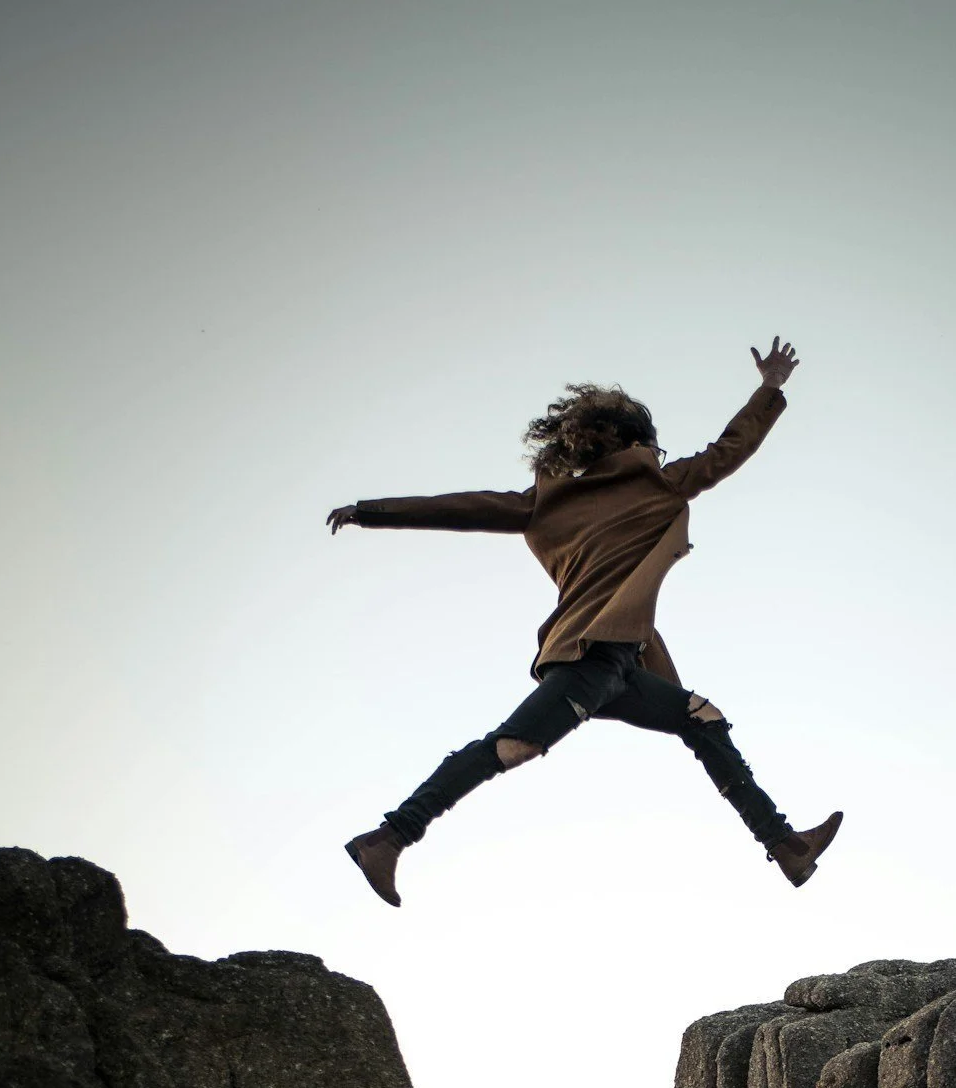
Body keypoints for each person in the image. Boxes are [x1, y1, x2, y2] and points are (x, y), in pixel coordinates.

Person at [326, 336, 842, 907]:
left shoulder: (546, 501)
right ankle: (391, 836)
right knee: (513, 746)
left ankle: (785, 845)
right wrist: (769, 389)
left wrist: (370, 511)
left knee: (702, 719)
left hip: (621, 662)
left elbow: (458, 505)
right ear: (635, 443)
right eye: (653, 443)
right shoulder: (657, 483)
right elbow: (729, 449)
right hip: (588, 657)